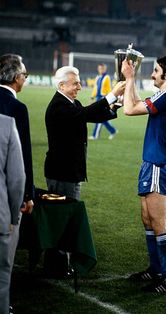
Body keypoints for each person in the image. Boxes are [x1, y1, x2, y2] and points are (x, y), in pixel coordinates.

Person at [44, 66, 125, 277]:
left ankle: (57, 264)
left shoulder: (71, 103)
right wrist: (111, 95)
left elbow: (90, 115)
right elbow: (85, 113)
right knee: (63, 220)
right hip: (63, 173)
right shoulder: (59, 107)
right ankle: (57, 266)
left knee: (64, 219)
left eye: (79, 82)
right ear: (62, 85)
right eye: (75, 83)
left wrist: (113, 106)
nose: (80, 86)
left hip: (69, 172)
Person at [121, 56, 166, 293]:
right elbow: (136, 102)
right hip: (151, 163)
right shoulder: (164, 97)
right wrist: (130, 83)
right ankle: (156, 269)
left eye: (156, 70)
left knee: (159, 222)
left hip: (159, 165)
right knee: (148, 219)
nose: (152, 74)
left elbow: (129, 109)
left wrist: (129, 77)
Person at [0, 54, 34, 214]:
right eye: (25, 75)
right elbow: (22, 153)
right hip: (5, 191)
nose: (25, 79)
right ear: (16, 77)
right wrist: (27, 194)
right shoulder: (17, 107)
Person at [0, 114, 25, 314]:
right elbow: (17, 180)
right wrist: (13, 216)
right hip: (1, 219)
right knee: (1, 279)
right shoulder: (6, 124)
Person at [89, 63, 118, 140]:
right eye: (99, 68)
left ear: (105, 69)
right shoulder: (98, 77)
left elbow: (109, 89)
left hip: (103, 98)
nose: (100, 70)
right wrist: (92, 97)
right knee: (101, 117)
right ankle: (113, 130)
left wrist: (108, 100)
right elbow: (95, 88)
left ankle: (95, 135)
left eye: (102, 68)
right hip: (98, 98)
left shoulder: (107, 77)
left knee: (98, 117)